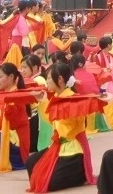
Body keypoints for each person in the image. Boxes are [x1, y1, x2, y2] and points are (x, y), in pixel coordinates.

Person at [26, 63, 96, 192]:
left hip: (74, 150)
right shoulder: (57, 97)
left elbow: (67, 124)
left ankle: (80, 174)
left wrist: (47, 103)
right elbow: (52, 120)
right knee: (32, 162)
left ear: (59, 79)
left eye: (48, 78)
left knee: (50, 182)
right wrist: (43, 102)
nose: (46, 81)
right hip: (59, 146)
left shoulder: (73, 99)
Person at [0, 63, 31, 171]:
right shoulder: (3, 95)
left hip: (18, 150)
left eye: (0, 77)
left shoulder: (16, 97)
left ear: (11, 77)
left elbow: (11, 121)